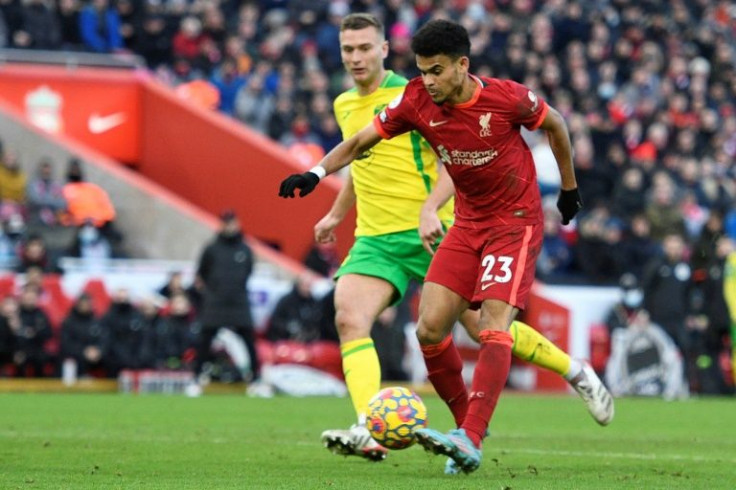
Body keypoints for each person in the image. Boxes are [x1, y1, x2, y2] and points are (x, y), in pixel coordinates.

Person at [280, 16, 612, 471]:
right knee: (429, 330)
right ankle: (461, 430)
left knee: (491, 327)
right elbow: (360, 143)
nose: (428, 81)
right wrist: (315, 174)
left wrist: (570, 190)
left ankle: (475, 434)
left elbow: (555, 125)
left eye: (436, 71)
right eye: (421, 70)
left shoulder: (505, 97)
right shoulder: (414, 100)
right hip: (463, 227)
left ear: (461, 65)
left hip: (513, 224)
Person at [187, 210, 259, 396]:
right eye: (226, 223)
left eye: (232, 223)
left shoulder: (244, 249)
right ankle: (196, 379)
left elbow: (248, 271)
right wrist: (214, 290)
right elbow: (202, 272)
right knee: (205, 340)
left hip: (238, 301)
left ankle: (255, 380)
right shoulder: (211, 249)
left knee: (249, 340)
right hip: (215, 301)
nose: (229, 227)